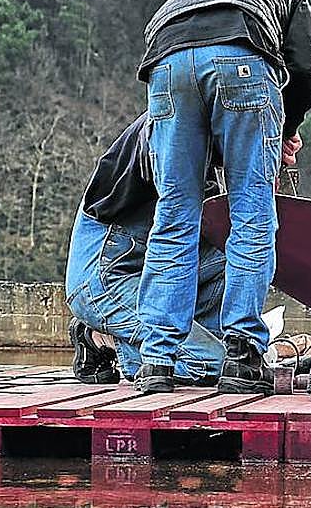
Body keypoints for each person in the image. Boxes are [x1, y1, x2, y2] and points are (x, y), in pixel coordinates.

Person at [134, 0, 311, 394]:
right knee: (252, 214)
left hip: (165, 66)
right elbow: (309, 71)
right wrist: (285, 128)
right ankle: (241, 354)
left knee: (174, 216)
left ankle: (156, 361)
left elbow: (177, 56)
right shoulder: (292, 0)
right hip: (241, 60)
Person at [65, 114, 227, 386]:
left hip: (165, 281)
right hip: (106, 280)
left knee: (230, 257)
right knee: (214, 365)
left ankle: (155, 340)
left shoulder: (209, 143)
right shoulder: (164, 127)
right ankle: (104, 339)